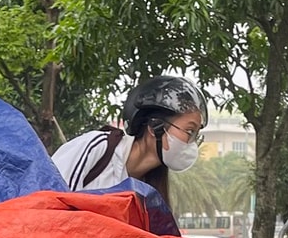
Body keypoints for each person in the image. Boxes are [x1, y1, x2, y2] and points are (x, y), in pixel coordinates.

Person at [51, 75, 206, 205]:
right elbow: (49, 201)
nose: (192, 142)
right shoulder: (98, 147)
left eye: (196, 135)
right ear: (154, 126)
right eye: (189, 131)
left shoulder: (150, 195)